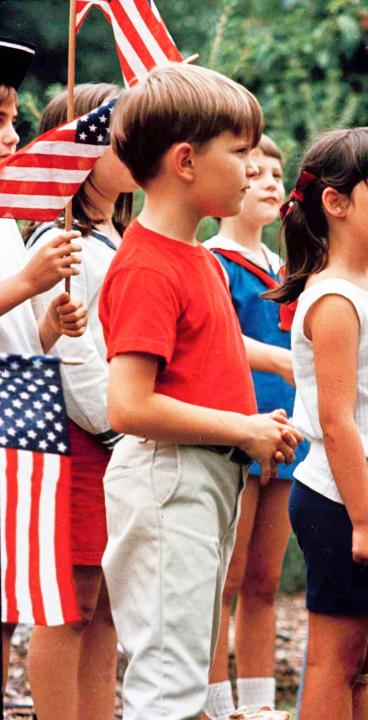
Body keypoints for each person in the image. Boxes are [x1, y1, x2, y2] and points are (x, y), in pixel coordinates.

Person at [98, 64, 302, 720]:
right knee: (169, 683)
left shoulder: (193, 255)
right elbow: (128, 405)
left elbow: (205, 348)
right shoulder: (149, 265)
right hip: (168, 481)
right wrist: (242, 429)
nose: (252, 168)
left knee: (187, 670)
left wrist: (260, 405)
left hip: (199, 478)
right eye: (240, 151)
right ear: (186, 160)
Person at [264, 126, 368, 720]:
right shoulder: (334, 300)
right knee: (336, 662)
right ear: (336, 202)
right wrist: (364, 520)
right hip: (341, 504)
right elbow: (337, 422)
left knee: (362, 663)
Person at [22, 82, 137, 720]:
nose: (134, 148)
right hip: (79, 441)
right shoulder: (58, 243)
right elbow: (75, 361)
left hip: (112, 440)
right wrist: (123, 423)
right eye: (117, 136)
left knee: (107, 604)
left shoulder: (114, 241)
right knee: (71, 601)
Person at [202, 133, 307, 719]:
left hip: (292, 433)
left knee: (265, 579)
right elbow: (217, 341)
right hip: (239, 429)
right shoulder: (213, 259)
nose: (269, 181)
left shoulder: (288, 270)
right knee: (227, 575)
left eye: (276, 172)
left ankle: (263, 705)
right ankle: (219, 706)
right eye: (255, 170)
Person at [0, 35, 88, 692]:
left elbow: (15, 338)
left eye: (11, 119)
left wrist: (48, 326)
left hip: (18, 415)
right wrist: (28, 283)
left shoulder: (5, 219)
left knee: (6, 606)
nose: (11, 136)